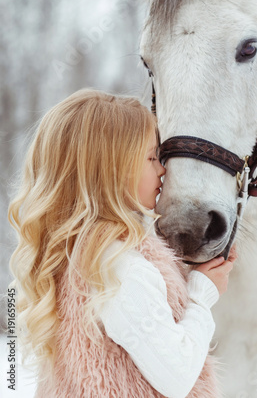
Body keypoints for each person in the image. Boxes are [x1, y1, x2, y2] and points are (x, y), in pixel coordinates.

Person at [8, 88, 237, 398]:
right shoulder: (118, 269)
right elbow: (176, 375)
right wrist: (201, 293)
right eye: (152, 157)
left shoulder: (78, 256)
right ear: (112, 170)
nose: (163, 168)